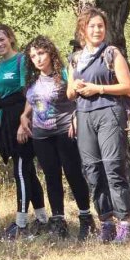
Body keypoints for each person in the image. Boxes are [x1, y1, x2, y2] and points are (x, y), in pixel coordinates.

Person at [67, 8, 130, 243]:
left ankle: (125, 223)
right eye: (92, 26)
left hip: (109, 113)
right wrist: (75, 86)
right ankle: (106, 222)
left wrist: (99, 89)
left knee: (113, 168)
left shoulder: (111, 53)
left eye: (100, 26)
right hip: (84, 116)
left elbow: (128, 87)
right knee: (92, 170)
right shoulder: (75, 58)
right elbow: (69, 93)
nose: (97, 30)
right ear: (83, 30)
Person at [20, 36, 94, 240]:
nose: (37, 59)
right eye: (33, 56)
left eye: (41, 53)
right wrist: (24, 116)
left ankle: (86, 218)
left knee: (73, 174)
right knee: (51, 178)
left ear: (51, 53)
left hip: (64, 131)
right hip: (41, 135)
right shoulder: (32, 81)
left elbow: (79, 97)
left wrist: (77, 118)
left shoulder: (64, 73)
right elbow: (33, 101)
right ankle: (58, 221)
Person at [0, 24, 48, 240]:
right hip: (6, 123)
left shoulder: (22, 60)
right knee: (27, 171)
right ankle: (43, 220)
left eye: (2, 39)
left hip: (22, 121)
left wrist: (25, 121)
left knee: (21, 171)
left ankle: (20, 224)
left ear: (10, 38)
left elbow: (29, 92)